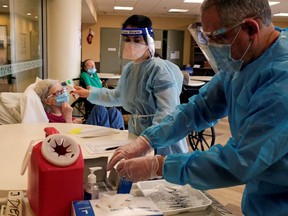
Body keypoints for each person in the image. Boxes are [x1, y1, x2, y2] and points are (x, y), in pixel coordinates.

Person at [104, 1, 288, 215]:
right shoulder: (243, 59)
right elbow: (199, 108)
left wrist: (160, 166)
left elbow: (240, 161)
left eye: (218, 38)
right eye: (207, 38)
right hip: (262, 195)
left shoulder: (280, 81)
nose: (213, 47)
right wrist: (148, 140)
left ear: (250, 29)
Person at [72, 14, 188, 156]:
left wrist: (149, 141)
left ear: (148, 39)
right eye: (127, 39)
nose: (131, 43)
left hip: (162, 139)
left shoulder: (159, 69)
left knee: (159, 173)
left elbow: (166, 112)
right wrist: (89, 93)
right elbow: (118, 96)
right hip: (137, 133)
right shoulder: (129, 69)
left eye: (137, 39)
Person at [34, 79, 125, 129]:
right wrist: (69, 119)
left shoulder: (63, 110)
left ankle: (117, 141)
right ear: (47, 101)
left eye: (63, 90)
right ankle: (110, 142)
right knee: (99, 109)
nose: (64, 94)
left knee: (114, 112)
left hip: (80, 130)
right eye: (58, 93)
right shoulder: (48, 118)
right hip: (80, 141)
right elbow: (65, 138)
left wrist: (80, 120)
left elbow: (75, 125)